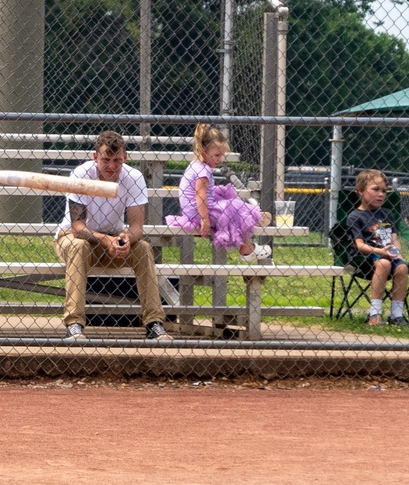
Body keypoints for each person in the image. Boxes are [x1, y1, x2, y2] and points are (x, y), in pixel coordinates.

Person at [54, 130, 170, 341]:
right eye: (106, 160)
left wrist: (125, 239)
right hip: (74, 238)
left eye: (117, 160)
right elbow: (78, 228)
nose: (112, 166)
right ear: (95, 157)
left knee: (143, 248)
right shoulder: (81, 175)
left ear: (125, 157)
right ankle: (74, 325)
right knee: (79, 246)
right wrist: (106, 239)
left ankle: (154, 324)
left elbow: (137, 228)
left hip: (112, 238)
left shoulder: (133, 177)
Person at [166, 124, 272, 262]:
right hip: (202, 213)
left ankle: (252, 219)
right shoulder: (204, 170)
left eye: (221, 155)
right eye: (216, 155)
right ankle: (247, 247)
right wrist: (204, 220)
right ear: (202, 150)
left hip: (195, 212)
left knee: (228, 202)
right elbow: (200, 195)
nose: (219, 159)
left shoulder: (194, 165)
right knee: (234, 208)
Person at [347, 169, 409, 326]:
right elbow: (359, 245)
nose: (381, 194)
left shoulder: (387, 214)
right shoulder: (355, 216)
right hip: (366, 258)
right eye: (375, 189)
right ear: (360, 191)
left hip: (388, 254)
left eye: (384, 190)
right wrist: (379, 252)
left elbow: (394, 239)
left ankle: (396, 315)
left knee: (402, 268)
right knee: (384, 263)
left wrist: (399, 256)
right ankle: (374, 314)